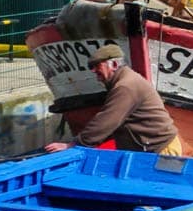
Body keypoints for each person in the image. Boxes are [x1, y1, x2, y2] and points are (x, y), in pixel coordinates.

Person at [46, 43, 185, 155]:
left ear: (113, 65)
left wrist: (73, 144)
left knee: (159, 187)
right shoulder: (125, 81)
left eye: (97, 66)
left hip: (161, 150)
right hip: (151, 147)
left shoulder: (125, 86)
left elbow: (107, 120)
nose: (93, 71)